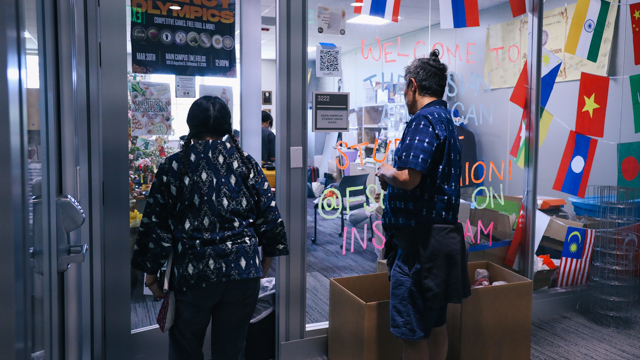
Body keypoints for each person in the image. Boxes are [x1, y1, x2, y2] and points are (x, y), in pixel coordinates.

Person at [131, 96, 289, 360]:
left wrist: (151, 278)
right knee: (231, 349)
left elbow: (156, 225)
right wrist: (264, 262)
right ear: (227, 126)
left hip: (194, 273)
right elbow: (270, 216)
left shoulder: (174, 166)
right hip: (243, 271)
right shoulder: (246, 163)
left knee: (185, 348)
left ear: (191, 124)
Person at [375, 49, 471, 360]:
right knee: (436, 324)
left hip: (418, 247)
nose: (404, 95)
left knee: (412, 332)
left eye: (404, 88)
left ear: (413, 86)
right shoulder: (446, 121)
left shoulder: (423, 120)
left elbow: (409, 178)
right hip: (439, 243)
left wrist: (386, 171)